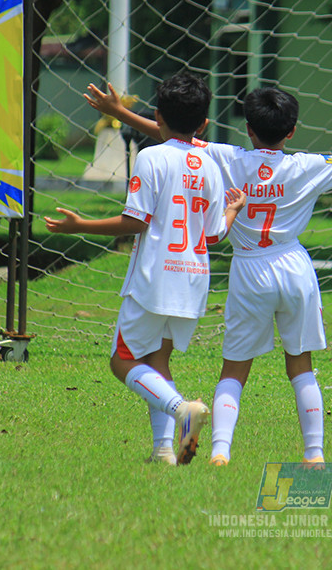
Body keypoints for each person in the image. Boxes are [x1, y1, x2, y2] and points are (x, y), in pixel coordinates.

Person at [85, 81, 332, 465]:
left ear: (248, 128)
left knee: (234, 367)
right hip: (295, 268)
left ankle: (220, 451)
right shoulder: (308, 166)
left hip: (249, 269)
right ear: (292, 131)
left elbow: (175, 137)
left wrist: (119, 113)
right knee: (301, 366)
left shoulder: (230, 159)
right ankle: (314, 454)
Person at [48, 72, 247, 465]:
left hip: (155, 278)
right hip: (192, 280)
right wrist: (232, 210)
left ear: (157, 115)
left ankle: (180, 409)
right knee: (158, 361)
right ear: (204, 124)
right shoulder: (210, 167)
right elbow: (213, 235)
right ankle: (163, 450)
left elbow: (136, 221)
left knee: (121, 360)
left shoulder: (150, 157)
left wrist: (80, 225)